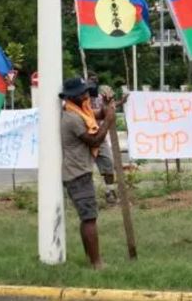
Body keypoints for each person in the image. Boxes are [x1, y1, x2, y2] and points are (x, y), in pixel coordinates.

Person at [60, 77, 115, 269]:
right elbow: (94, 140)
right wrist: (108, 121)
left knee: (88, 217)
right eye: (83, 92)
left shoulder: (80, 110)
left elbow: (97, 114)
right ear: (73, 96)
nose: (86, 95)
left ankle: (91, 258)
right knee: (89, 218)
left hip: (80, 171)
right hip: (77, 173)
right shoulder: (72, 117)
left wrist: (107, 107)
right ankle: (96, 262)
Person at [86, 71, 119, 205]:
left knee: (108, 163)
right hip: (85, 137)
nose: (94, 83)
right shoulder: (80, 98)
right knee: (85, 169)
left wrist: (112, 102)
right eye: (91, 81)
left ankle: (110, 192)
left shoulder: (100, 97)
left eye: (95, 81)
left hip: (101, 135)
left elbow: (107, 110)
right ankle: (87, 197)